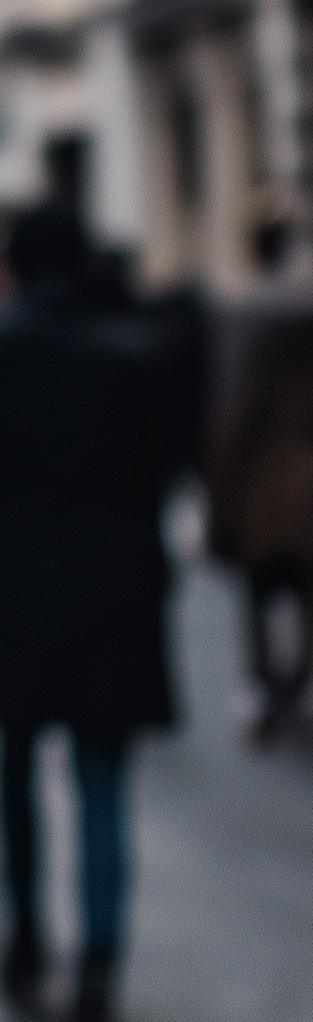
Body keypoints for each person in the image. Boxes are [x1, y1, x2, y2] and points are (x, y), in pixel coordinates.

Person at [0, 204, 181, 1022]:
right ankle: (99, 969)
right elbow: (158, 476)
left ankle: (27, 935)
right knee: (103, 779)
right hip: (113, 588)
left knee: (16, 768)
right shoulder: (135, 354)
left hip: (10, 588)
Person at [207, 280, 313, 739]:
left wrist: (219, 514)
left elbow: (230, 437)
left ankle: (267, 691)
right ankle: (294, 686)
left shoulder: (251, 371)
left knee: (256, 600)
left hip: (262, 501)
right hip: (301, 501)